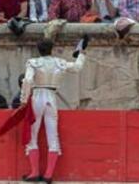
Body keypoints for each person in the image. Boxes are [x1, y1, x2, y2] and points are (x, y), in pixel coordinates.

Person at [20, 38, 87, 182]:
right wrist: (81, 53)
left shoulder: (33, 62)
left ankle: (34, 172)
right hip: (51, 98)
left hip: (37, 97)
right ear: (52, 49)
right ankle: (49, 175)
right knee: (53, 136)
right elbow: (77, 67)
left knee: (33, 135)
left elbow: (28, 80)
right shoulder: (60, 62)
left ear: (38, 49)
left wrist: (24, 99)